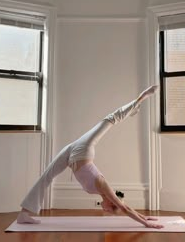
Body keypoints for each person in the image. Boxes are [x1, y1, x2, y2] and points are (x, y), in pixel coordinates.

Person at [17, 85, 163, 229]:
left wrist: (144, 216)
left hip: (71, 156)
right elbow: (125, 208)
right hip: (82, 150)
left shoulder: (100, 193)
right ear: (112, 203)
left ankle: (24, 214)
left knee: (46, 176)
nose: (105, 210)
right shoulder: (105, 188)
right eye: (110, 209)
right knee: (111, 119)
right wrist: (146, 223)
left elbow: (125, 207)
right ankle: (142, 97)